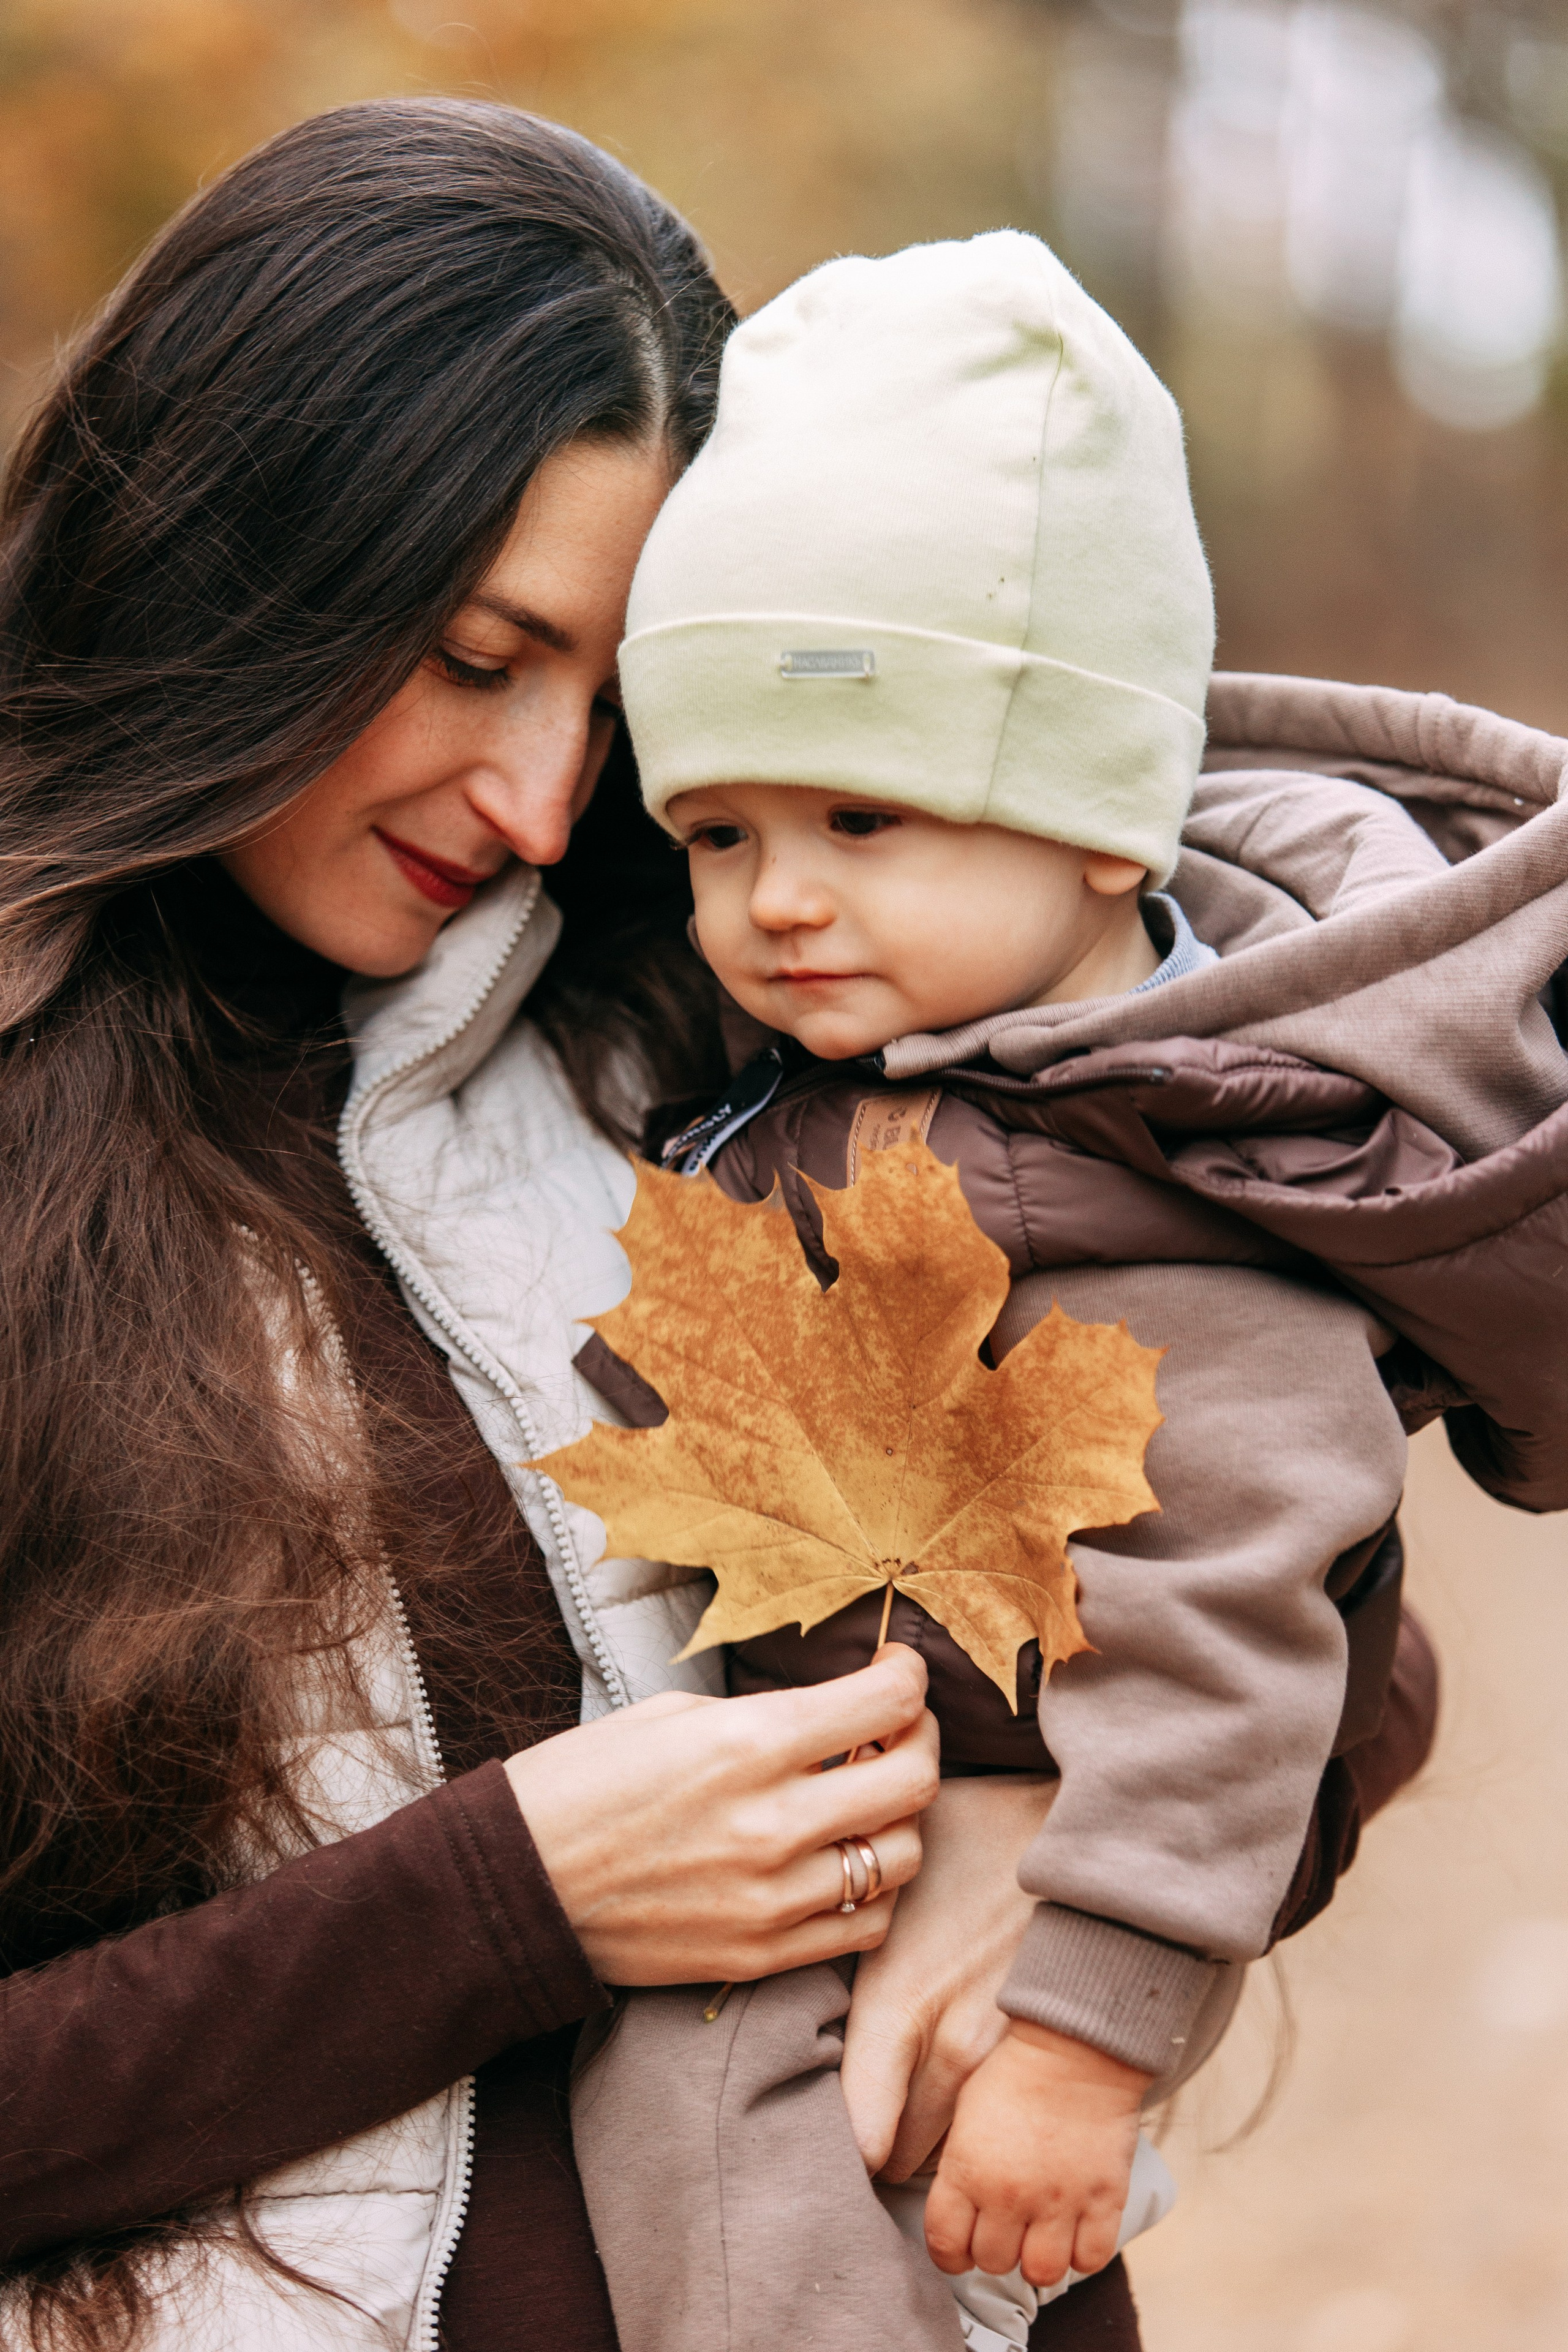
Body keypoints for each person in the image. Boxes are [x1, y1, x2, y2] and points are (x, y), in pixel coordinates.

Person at [0, 101, 1437, 2352]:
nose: (553, 801)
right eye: (479, 658)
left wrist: (1015, 1850)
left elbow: (1307, 1635)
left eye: (621, 694)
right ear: (248, 563)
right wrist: (510, 1901)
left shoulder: (740, 1029)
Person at [565, 232, 1568, 2352]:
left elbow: (1231, 1649)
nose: (779, 900)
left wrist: (1087, 2039)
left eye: (859, 811)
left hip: (1018, 1920)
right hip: (808, 1822)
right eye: (718, 835)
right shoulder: (893, 1061)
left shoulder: (1160, 1179)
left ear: (1103, 830)